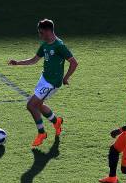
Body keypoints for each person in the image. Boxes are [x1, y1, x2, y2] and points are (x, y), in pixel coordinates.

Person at [8, 19, 78, 147]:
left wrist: (66, 78)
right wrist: (17, 63)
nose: (40, 35)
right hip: (44, 79)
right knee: (38, 105)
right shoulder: (45, 44)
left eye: (41, 33)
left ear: (48, 31)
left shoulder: (59, 46)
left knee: (31, 105)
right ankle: (56, 122)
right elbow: (34, 60)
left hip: (52, 83)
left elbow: (74, 63)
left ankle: (41, 133)